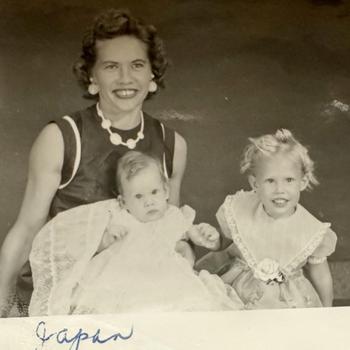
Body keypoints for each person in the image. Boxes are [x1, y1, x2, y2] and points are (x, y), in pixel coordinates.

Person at [0, 9, 188, 317]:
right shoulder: (60, 137)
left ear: (152, 75)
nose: (126, 78)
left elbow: (168, 231)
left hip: (143, 296)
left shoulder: (172, 144)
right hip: (71, 298)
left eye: (137, 65)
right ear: (92, 76)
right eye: (111, 66)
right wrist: (3, 314)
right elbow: (25, 231)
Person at [29, 151, 243, 315]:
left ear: (166, 191)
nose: (149, 201)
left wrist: (204, 235)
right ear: (124, 202)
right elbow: (93, 246)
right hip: (123, 277)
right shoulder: (121, 218)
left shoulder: (173, 216)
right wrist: (106, 239)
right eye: (138, 197)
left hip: (166, 277)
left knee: (185, 304)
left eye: (154, 192)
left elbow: (191, 234)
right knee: (120, 310)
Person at [214, 129, 337, 309]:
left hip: (288, 300)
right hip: (241, 291)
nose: (280, 189)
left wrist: (327, 308)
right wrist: (214, 240)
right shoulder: (242, 208)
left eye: (289, 180)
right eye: (270, 181)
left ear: (302, 182)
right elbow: (224, 241)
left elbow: (321, 274)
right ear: (255, 184)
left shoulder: (310, 228)